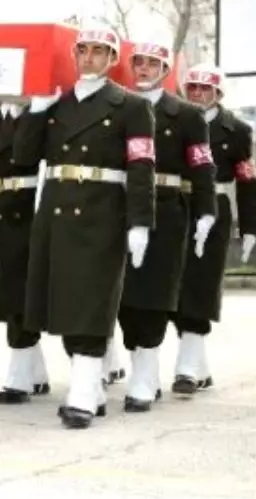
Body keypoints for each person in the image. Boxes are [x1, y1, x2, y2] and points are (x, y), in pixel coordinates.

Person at [12, 26, 157, 430]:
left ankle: (81, 395)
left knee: (91, 304)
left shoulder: (129, 106)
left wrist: (140, 222)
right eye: (84, 50)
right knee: (60, 305)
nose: (90, 57)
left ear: (113, 60)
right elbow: (23, 157)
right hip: (56, 210)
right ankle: (90, 389)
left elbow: (141, 165)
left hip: (102, 212)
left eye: (100, 51)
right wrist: (36, 110)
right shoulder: (57, 104)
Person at [116, 44, 217, 413]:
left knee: (155, 292)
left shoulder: (188, 115)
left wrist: (206, 212)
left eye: (152, 63)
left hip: (168, 210)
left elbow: (202, 167)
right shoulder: (120, 107)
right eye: (138, 62)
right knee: (123, 296)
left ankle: (146, 370)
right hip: (122, 207)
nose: (144, 68)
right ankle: (136, 358)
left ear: (165, 68)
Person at [173, 64, 256, 396]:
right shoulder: (172, 121)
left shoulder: (236, 130)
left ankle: (187, 367)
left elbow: (247, 179)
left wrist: (249, 227)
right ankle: (198, 364)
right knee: (176, 287)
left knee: (202, 283)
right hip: (179, 207)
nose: (196, 93)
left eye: (203, 88)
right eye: (191, 86)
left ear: (218, 93)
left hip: (217, 210)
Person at [0, 101, 52, 404]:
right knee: (12, 294)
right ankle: (33, 370)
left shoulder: (43, 109)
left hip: (31, 207)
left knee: (25, 291)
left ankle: (21, 374)